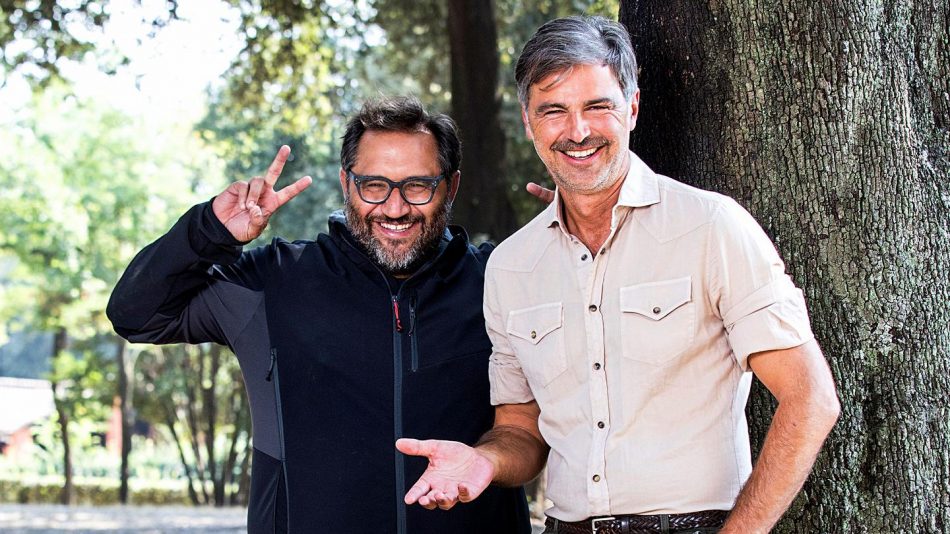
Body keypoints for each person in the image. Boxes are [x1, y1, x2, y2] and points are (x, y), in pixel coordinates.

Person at [396, 16, 841, 534]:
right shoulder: (512, 266)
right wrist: (486, 460)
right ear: (528, 122)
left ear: (631, 107)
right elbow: (520, 429)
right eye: (554, 111)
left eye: (597, 106)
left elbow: (811, 398)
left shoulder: (711, 227)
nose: (577, 131)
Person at [107, 96, 530, 534]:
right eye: (374, 185)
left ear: (451, 186)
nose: (395, 208)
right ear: (347, 184)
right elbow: (136, 314)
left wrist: (570, 232)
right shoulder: (274, 281)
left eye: (418, 186)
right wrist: (209, 231)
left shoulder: (500, 280)